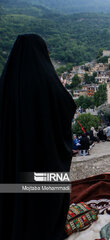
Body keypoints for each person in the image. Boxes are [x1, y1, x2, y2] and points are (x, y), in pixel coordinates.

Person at [0, 34, 76, 239]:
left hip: (13, 160)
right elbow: (67, 106)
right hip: (43, 155)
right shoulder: (46, 80)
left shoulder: (6, 82)